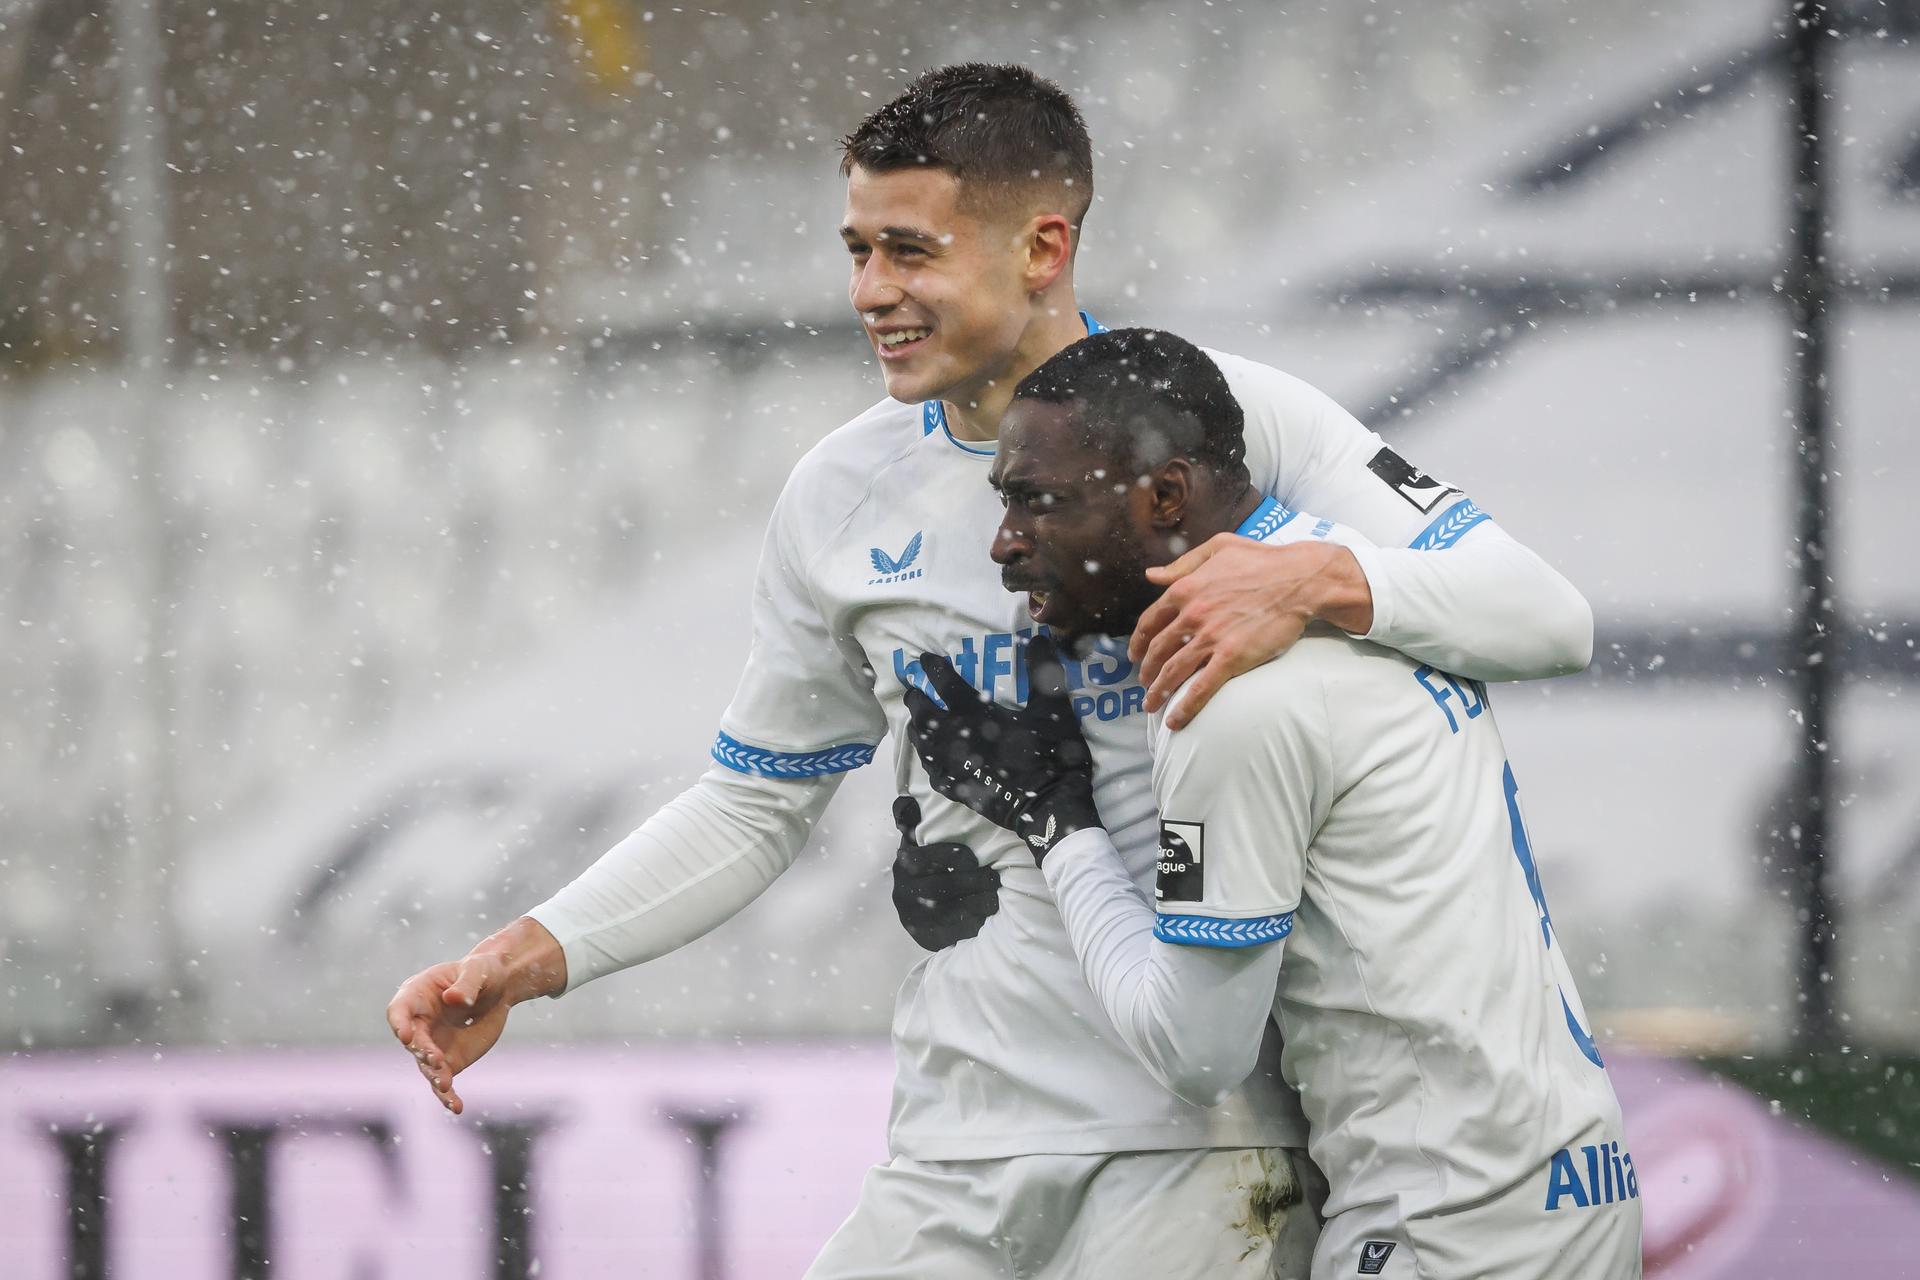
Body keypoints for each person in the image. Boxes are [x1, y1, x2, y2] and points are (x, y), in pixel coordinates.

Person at [386, 64, 1596, 1278]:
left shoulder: (1228, 414)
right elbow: (756, 801)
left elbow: (1543, 613)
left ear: (1042, 247)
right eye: (857, 250)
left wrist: (1317, 576)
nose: (871, 291)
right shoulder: (839, 494)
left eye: (909, 251)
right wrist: (528, 954)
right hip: (956, 1138)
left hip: (1203, 1144)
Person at [904, 327, 1641, 1278]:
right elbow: (1549, 619)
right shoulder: (1354, 565)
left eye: (1037, 502)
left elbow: (1195, 1051)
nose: (1004, 542)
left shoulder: (1228, 690)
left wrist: (1056, 820)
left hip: (1445, 1220)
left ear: (1166, 495)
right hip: (1574, 1175)